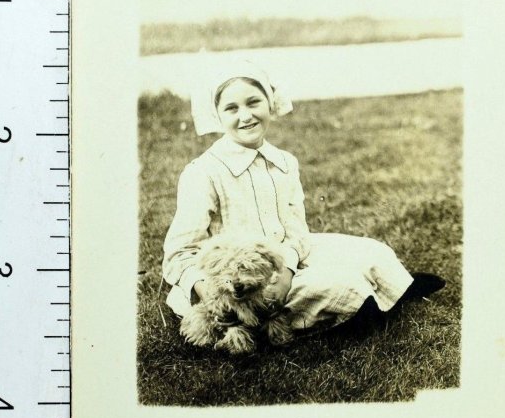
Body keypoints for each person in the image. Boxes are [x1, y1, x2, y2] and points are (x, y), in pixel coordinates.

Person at [162, 59, 444, 336]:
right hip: (239, 281)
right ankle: (362, 309)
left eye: (253, 102)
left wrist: (286, 271)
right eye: (231, 108)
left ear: (270, 103)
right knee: (340, 284)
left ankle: (394, 289)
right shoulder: (205, 172)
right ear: (218, 116)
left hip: (283, 258)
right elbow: (179, 252)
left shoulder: (284, 162)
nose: (245, 116)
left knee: (374, 251)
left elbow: (297, 230)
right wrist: (207, 290)